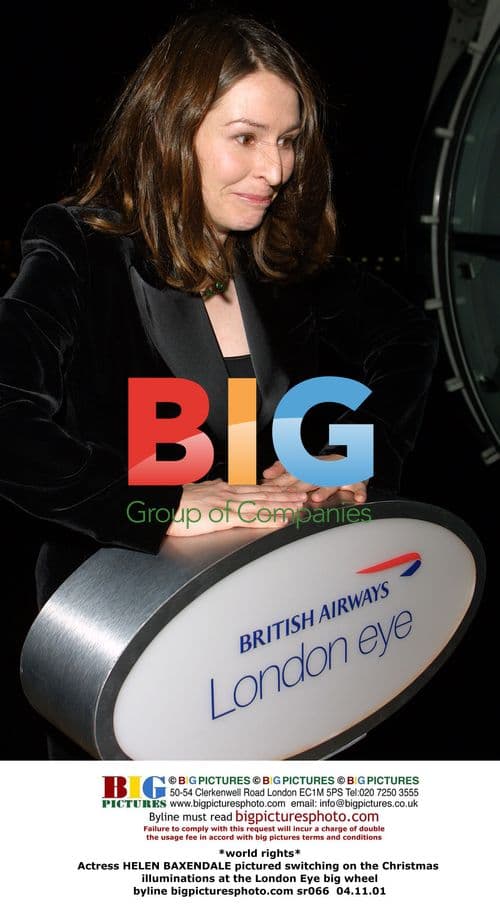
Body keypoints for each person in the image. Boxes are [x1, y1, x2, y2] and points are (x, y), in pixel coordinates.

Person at [0, 10, 438, 755]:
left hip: (275, 626)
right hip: (122, 630)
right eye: (246, 137)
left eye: (288, 140)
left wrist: (353, 452)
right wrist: (157, 506)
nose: (277, 170)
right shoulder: (79, 249)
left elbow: (407, 338)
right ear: (171, 130)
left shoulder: (277, 257)